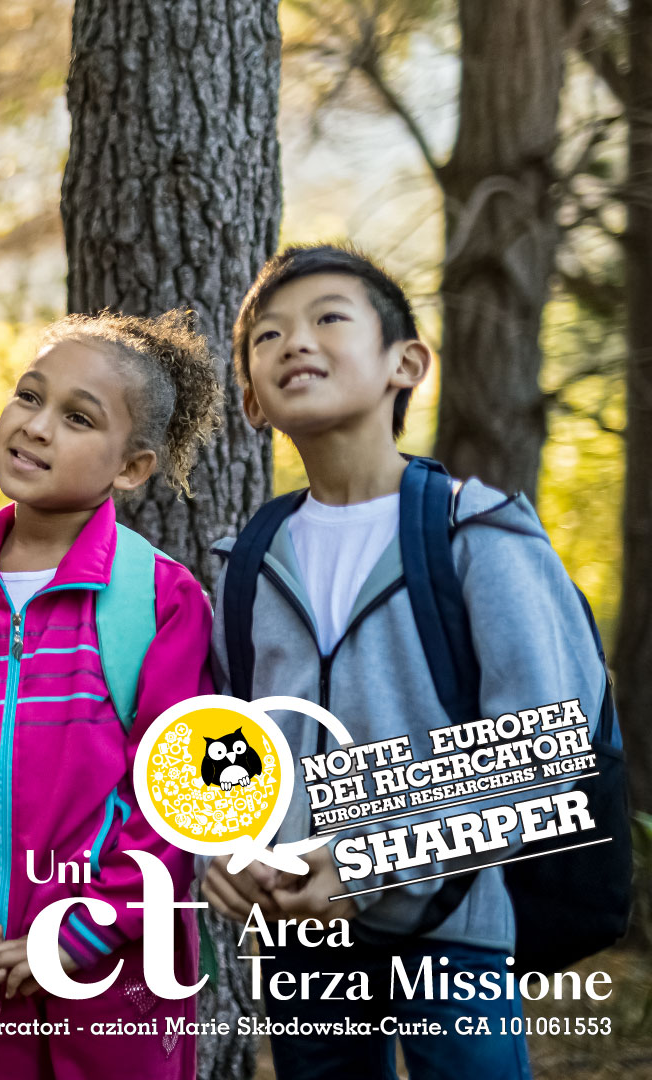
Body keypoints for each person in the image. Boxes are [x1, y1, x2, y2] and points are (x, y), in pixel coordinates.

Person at [199, 244, 609, 1080]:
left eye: (329, 318)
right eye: (268, 336)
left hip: (451, 931)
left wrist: (364, 859)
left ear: (405, 363)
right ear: (249, 398)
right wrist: (222, 846)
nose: (295, 343)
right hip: (300, 939)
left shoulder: (480, 536)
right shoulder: (242, 561)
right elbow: (230, 744)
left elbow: (544, 750)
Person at [0, 310, 220, 1080]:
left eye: (77, 417)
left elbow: (182, 801)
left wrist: (81, 931)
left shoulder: (160, 600)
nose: (36, 427)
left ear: (131, 467)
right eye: (29, 396)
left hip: (119, 979)